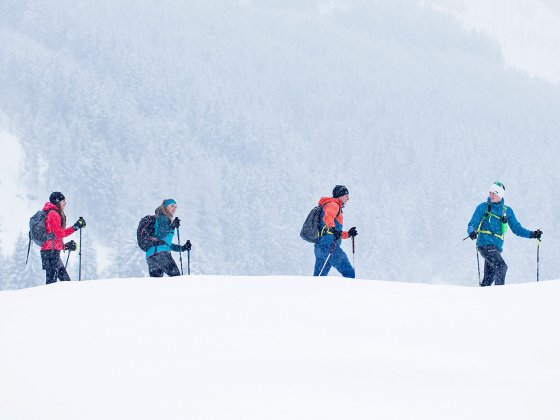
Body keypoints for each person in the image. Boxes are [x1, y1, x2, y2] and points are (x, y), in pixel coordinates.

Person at [467, 182, 542, 286]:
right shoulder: (483, 207)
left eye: (494, 193)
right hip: (484, 244)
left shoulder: (507, 211)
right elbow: (472, 224)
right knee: (501, 267)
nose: (491, 195)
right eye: (490, 192)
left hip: (496, 247)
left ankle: (481, 296)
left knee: (488, 279)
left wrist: (532, 234)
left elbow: (517, 229)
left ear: (500, 195)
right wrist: (471, 231)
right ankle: (501, 295)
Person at [40, 192, 86, 284]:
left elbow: (53, 237)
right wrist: (75, 227)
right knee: (51, 284)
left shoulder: (53, 213)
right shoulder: (53, 214)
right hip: (50, 253)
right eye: (63, 201)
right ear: (57, 201)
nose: (65, 203)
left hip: (51, 252)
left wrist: (65, 246)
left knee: (66, 282)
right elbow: (59, 234)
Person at [313, 185, 358, 278]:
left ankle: (313, 292)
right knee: (349, 273)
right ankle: (352, 292)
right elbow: (328, 218)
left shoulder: (329, 205)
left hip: (320, 247)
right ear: (340, 196)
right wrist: (332, 228)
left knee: (318, 278)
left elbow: (335, 232)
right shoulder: (334, 205)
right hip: (329, 246)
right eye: (346, 196)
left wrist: (348, 234)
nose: (348, 198)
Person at [145, 199, 192, 277]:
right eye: (172, 206)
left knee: (156, 284)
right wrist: (172, 226)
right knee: (176, 278)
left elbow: (165, 243)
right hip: (161, 255)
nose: (174, 208)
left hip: (151, 256)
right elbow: (161, 233)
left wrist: (182, 248)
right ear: (166, 207)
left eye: (176, 207)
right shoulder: (163, 217)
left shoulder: (160, 218)